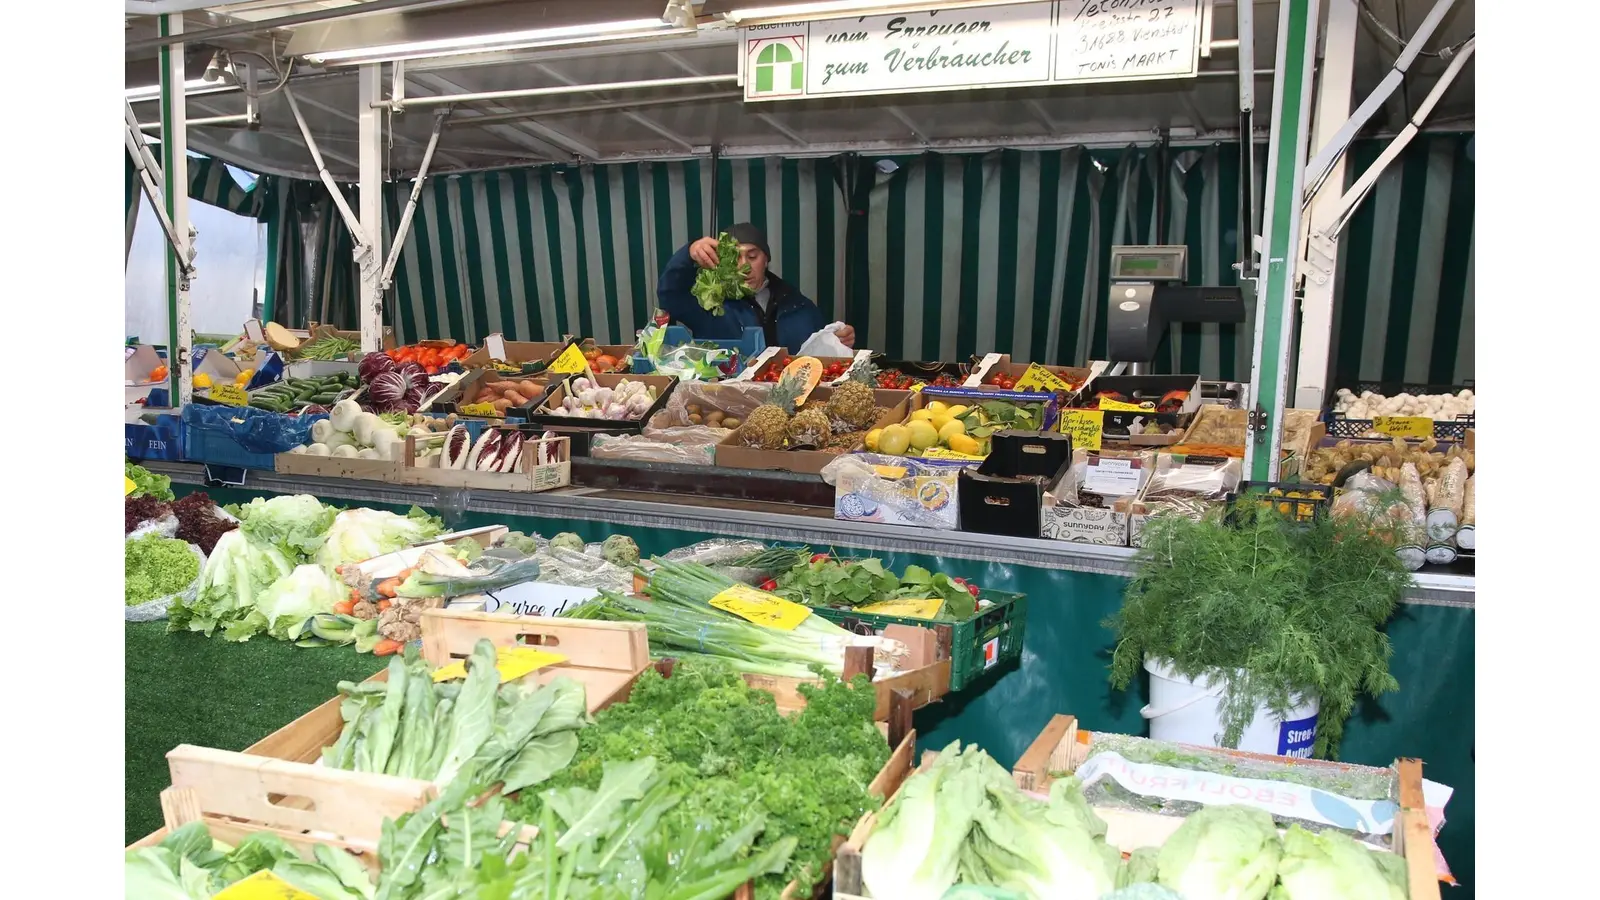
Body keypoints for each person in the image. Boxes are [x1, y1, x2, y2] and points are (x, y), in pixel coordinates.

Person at [656, 222, 856, 354]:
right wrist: (688, 253)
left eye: (752, 257)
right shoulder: (709, 306)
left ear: (766, 259)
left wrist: (839, 341)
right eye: (734, 258)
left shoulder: (798, 305)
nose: (744, 266)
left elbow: (818, 348)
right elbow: (669, 295)